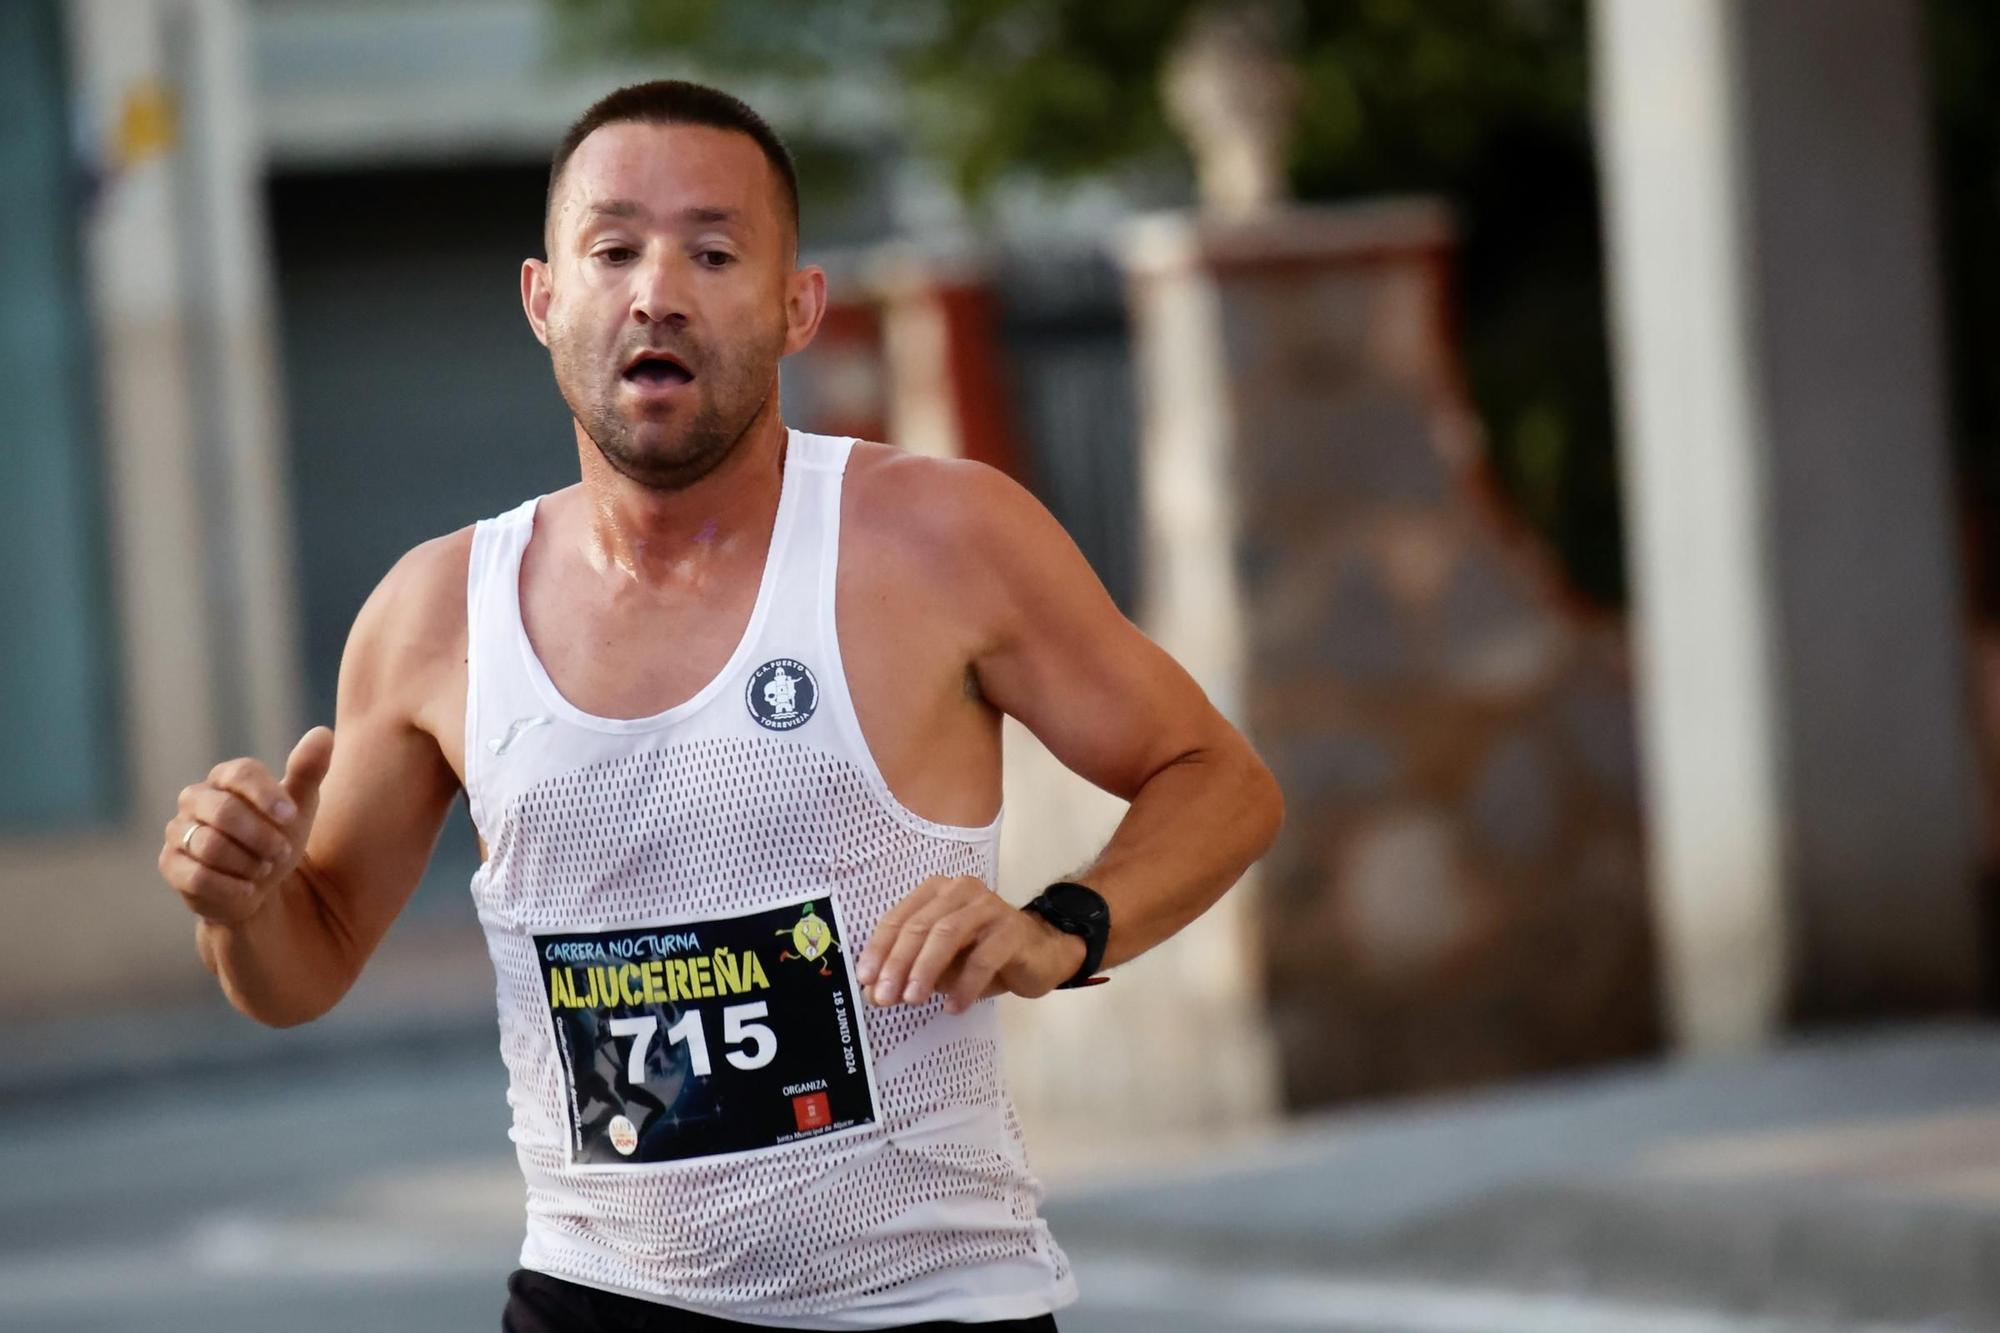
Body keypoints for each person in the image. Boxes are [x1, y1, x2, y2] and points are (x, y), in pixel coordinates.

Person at [156, 79, 1283, 1331]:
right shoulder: (434, 614)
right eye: (613, 248)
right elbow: (298, 964)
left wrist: (1065, 926)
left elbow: (1216, 777)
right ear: (544, 300)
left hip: (928, 1301)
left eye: (712, 250)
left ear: (798, 305)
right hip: (596, 1297)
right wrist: (241, 908)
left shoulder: (938, 542)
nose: (657, 291)